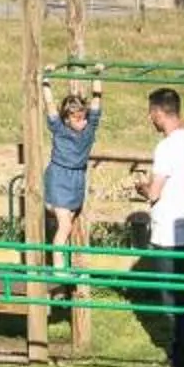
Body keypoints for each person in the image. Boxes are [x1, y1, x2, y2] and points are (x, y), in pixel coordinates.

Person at [138, 86, 184, 367]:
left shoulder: (166, 147)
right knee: (180, 296)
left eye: (151, 113)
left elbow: (154, 193)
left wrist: (142, 187)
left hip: (166, 232)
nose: (150, 119)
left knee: (170, 299)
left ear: (159, 112)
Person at [41, 75, 104, 247]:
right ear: (67, 119)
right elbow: (50, 105)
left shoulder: (89, 130)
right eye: (77, 118)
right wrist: (46, 82)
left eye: (84, 117)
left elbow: (97, 101)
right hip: (59, 178)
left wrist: (97, 76)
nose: (82, 121)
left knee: (68, 225)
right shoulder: (60, 129)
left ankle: (63, 259)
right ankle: (58, 264)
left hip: (76, 180)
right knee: (65, 226)